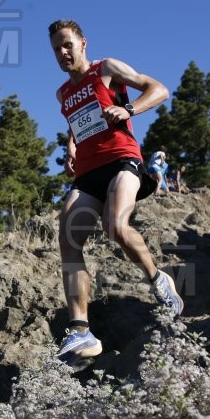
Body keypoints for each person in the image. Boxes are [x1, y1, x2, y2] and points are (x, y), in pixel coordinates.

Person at [48, 19, 184, 367]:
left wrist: (129, 109)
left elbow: (158, 88)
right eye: (56, 49)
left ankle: (158, 279)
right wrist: (71, 148)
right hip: (87, 173)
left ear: (82, 43)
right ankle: (81, 331)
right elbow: (78, 123)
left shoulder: (106, 69)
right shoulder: (63, 93)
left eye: (67, 45)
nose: (62, 53)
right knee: (68, 239)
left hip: (122, 159)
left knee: (115, 226)